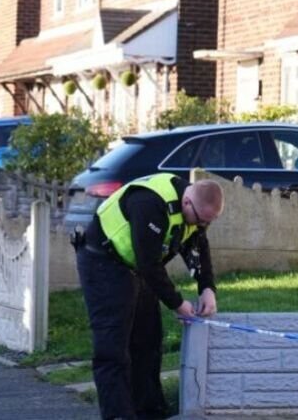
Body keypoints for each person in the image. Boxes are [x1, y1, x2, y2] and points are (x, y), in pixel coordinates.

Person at [73, 174, 223, 420]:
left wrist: (207, 287)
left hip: (134, 266)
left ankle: (150, 412)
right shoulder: (149, 203)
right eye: (200, 220)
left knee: (148, 342)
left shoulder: (194, 213)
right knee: (113, 348)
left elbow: (198, 244)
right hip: (103, 261)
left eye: (208, 223)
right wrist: (177, 303)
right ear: (187, 203)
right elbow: (148, 264)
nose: (201, 226)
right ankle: (119, 414)